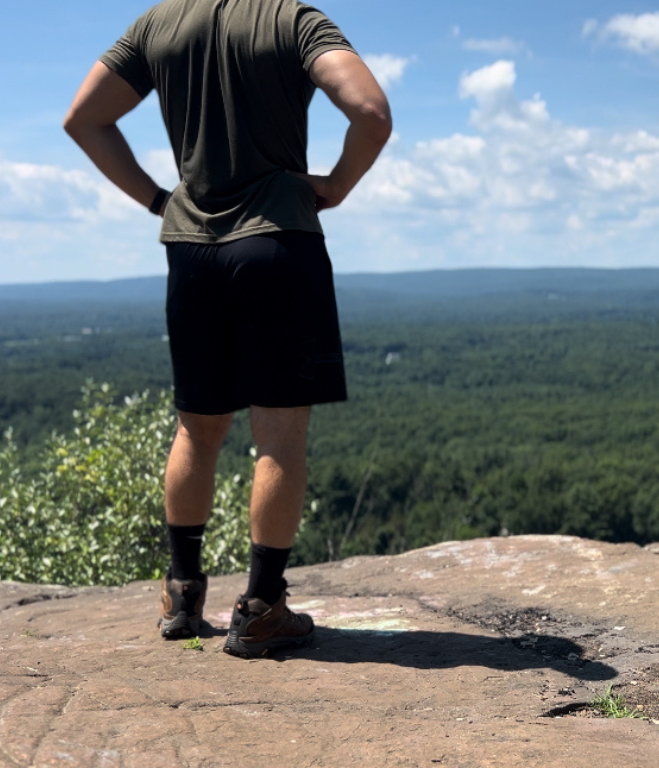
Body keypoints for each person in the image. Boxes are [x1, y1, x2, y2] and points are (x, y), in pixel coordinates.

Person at [63, 0, 391, 658]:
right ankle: (263, 608)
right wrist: (335, 186)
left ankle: (182, 594)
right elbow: (370, 111)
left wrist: (162, 199)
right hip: (276, 240)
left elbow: (84, 119)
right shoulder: (292, 21)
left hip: (192, 250)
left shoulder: (158, 25)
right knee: (279, 433)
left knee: (197, 424)